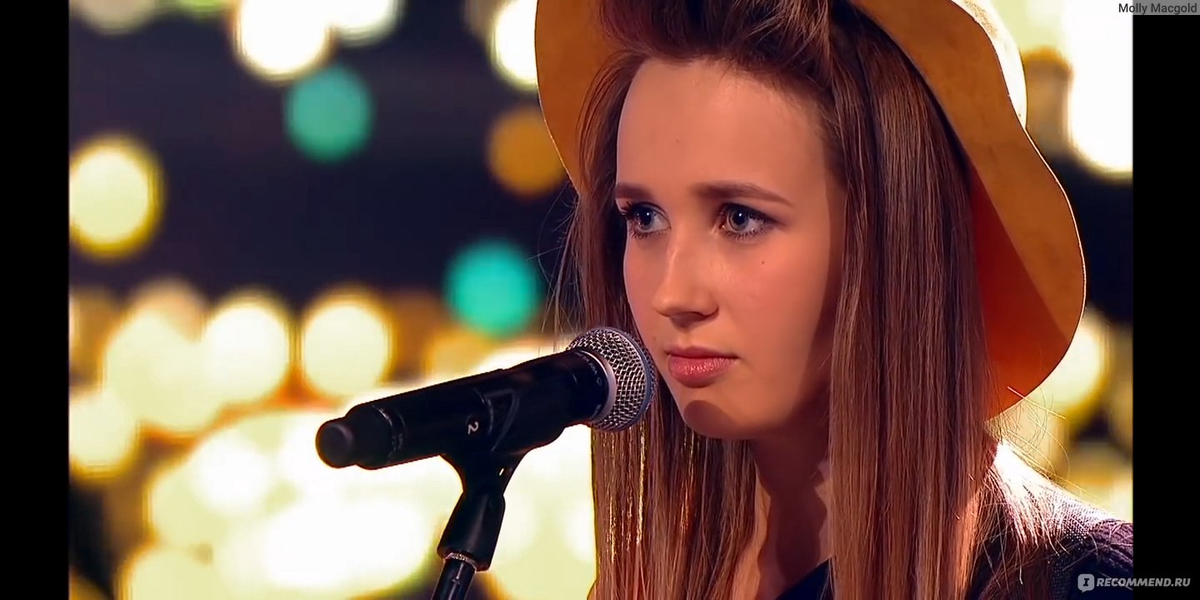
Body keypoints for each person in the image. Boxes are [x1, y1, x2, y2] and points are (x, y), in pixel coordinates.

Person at [534, 0, 1133, 598]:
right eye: (644, 217)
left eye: (740, 218)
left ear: (893, 237)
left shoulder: (1096, 583)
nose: (672, 294)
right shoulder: (639, 584)